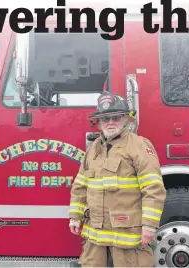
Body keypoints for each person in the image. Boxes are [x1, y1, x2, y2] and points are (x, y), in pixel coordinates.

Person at [68, 91, 167, 267]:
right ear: (99, 123)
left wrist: (149, 226)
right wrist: (75, 217)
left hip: (127, 236)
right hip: (95, 236)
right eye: (106, 119)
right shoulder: (93, 150)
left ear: (126, 120)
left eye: (116, 117)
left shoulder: (138, 146)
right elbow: (80, 186)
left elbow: (153, 188)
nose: (110, 122)